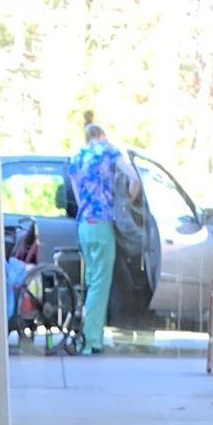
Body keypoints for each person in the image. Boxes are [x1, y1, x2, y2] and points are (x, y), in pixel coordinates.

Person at [64, 120, 136, 354]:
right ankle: (90, 339)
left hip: (84, 224)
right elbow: (134, 178)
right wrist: (127, 201)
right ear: (102, 135)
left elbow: (76, 193)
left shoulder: (76, 159)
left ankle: (93, 334)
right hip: (103, 223)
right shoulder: (110, 152)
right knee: (100, 285)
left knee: (91, 280)